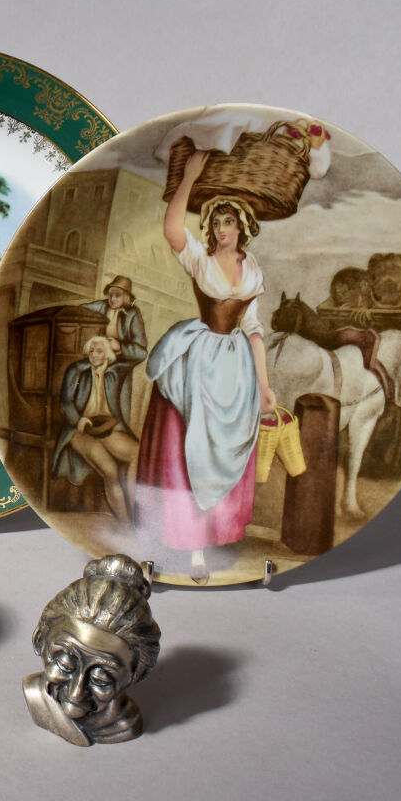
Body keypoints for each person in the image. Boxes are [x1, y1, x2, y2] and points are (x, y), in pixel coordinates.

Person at [134, 149, 277, 583]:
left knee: (223, 450)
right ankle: (193, 549)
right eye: (215, 223)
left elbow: (253, 330)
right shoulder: (200, 258)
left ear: (243, 227)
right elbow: (171, 227)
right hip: (197, 360)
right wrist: (189, 178)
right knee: (189, 450)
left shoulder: (252, 269)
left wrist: (264, 386)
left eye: (228, 222)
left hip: (235, 366)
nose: (221, 229)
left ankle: (213, 536)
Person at [23, 555, 161, 746]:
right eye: (64, 665)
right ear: (39, 640)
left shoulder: (125, 723)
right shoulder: (36, 693)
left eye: (101, 679)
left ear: (137, 675)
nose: (76, 693)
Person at [54, 336, 140, 523]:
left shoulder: (116, 369)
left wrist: (120, 346)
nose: (93, 355)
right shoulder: (76, 370)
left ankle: (134, 512)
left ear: (108, 354)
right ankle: (126, 524)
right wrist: (79, 419)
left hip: (107, 427)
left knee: (138, 454)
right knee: (110, 470)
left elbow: (140, 355)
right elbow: (65, 403)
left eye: (99, 350)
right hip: (80, 430)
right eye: (91, 351)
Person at [81, 275, 148, 414]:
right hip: (98, 357)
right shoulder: (102, 306)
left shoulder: (133, 314)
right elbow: (79, 310)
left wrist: (120, 347)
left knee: (110, 377)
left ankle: (112, 421)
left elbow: (141, 353)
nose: (112, 299)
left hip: (119, 362)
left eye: (117, 295)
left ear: (126, 297)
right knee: (77, 370)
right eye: (110, 295)